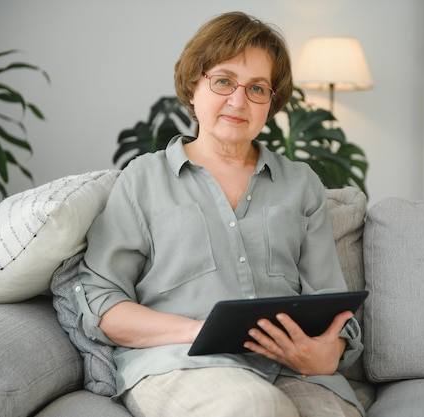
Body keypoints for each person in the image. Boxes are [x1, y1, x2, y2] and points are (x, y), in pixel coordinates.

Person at [75, 11, 364, 417]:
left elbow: (333, 305)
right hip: (181, 362)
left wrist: (326, 356)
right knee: (256, 408)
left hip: (294, 371)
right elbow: (103, 303)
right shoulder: (144, 178)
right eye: (224, 80)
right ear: (195, 86)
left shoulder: (301, 184)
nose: (238, 100)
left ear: (271, 103)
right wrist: (201, 331)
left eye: (257, 88)